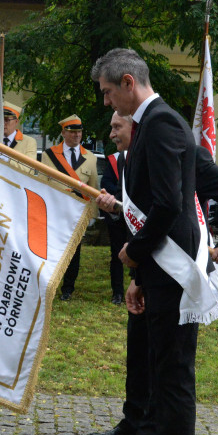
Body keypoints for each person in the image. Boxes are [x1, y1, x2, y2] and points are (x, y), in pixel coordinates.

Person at [91, 47, 218, 435]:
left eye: (110, 94)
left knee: (175, 384)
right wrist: (141, 276)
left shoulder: (162, 123)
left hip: (176, 277)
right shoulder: (153, 124)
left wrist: (134, 251)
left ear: (129, 82)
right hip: (161, 276)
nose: (110, 104)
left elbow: (171, 207)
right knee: (163, 377)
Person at [95, 112, 218, 435]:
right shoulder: (131, 160)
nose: (112, 131)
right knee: (139, 349)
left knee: (162, 362)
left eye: (118, 124)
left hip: (178, 272)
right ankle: (134, 421)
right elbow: (140, 217)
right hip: (149, 269)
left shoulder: (184, 153)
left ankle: (151, 434)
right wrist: (117, 214)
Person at [43, 114, 98, 300]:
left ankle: (68, 288)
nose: (77, 136)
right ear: (63, 133)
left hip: (77, 212)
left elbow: (93, 188)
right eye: (72, 132)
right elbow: (43, 183)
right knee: (52, 249)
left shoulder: (89, 157)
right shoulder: (49, 155)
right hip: (56, 210)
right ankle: (50, 284)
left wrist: (92, 215)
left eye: (79, 132)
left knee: (74, 252)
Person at [99, 112, 127, 305]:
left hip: (137, 218)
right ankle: (117, 292)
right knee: (117, 255)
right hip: (118, 215)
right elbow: (107, 183)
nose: (112, 135)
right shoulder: (113, 160)